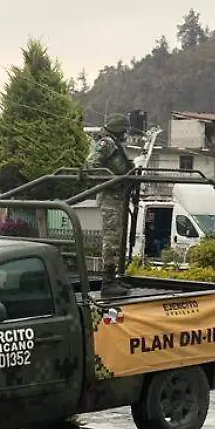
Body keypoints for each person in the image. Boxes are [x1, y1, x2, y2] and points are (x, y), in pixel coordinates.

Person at [84, 114, 134, 297]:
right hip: (110, 197)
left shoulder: (116, 144)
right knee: (111, 239)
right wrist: (112, 180)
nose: (126, 134)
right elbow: (91, 165)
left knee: (118, 239)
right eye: (124, 130)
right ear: (118, 129)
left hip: (118, 197)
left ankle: (114, 278)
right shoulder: (107, 143)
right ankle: (107, 282)